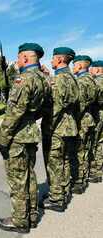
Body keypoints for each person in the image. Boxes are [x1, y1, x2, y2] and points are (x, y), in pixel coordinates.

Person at [0, 43, 46, 233]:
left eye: (18, 58)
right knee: (30, 176)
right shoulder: (42, 79)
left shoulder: (23, 80)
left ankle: (19, 220)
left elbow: (14, 113)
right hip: (31, 133)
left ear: (25, 58)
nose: (17, 61)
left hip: (17, 136)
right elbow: (43, 108)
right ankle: (32, 214)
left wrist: (3, 139)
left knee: (17, 180)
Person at [39, 47, 79, 212]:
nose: (51, 61)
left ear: (61, 59)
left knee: (54, 164)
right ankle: (63, 191)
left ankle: (56, 199)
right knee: (64, 162)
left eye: (53, 58)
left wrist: (47, 126)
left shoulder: (60, 79)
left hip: (57, 129)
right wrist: (48, 76)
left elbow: (55, 107)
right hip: (69, 127)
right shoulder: (72, 78)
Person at [72, 55, 98, 193]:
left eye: (74, 64)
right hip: (90, 118)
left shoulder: (82, 81)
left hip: (82, 120)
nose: (73, 67)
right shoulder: (91, 80)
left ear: (81, 66)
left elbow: (80, 104)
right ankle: (85, 176)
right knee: (86, 149)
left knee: (79, 151)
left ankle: (79, 182)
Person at [89, 60, 103, 183]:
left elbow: (95, 99)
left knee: (93, 142)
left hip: (98, 113)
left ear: (97, 69)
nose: (90, 70)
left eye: (92, 68)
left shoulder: (98, 81)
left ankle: (95, 171)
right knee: (100, 142)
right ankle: (99, 168)